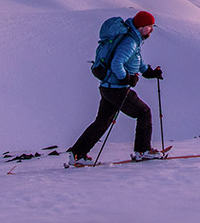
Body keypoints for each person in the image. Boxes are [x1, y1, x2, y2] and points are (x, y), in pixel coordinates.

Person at [67, 10, 165, 165]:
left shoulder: (133, 40)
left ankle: (77, 154)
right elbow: (116, 63)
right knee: (144, 113)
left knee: (102, 122)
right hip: (117, 89)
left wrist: (151, 72)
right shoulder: (130, 42)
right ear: (141, 27)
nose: (151, 29)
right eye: (149, 26)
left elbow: (137, 63)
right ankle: (143, 151)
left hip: (108, 88)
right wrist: (127, 78)